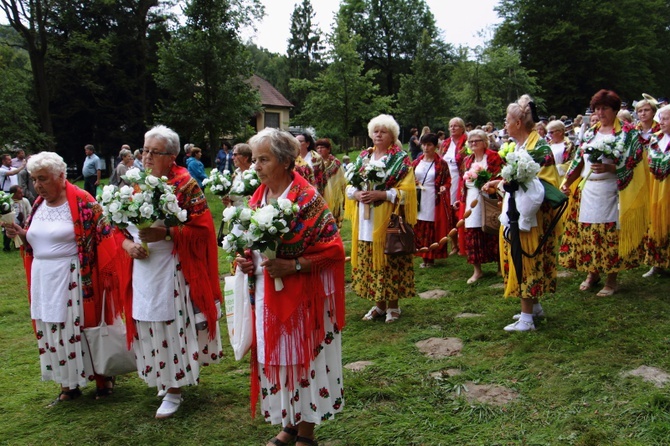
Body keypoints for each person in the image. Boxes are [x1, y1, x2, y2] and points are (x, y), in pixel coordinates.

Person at [234, 128, 345, 446]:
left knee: (303, 360)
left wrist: (294, 266)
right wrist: (245, 262)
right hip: (266, 295)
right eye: (255, 159)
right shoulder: (258, 196)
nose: (255, 166)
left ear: (284, 161)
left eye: (263, 159)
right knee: (278, 360)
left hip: (301, 299)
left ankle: (306, 431)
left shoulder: (307, 198)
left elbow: (333, 250)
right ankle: (289, 423)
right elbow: (252, 246)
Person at [118, 125, 223, 419]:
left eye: (155, 152)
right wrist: (128, 244)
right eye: (145, 150)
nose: (147, 157)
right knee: (146, 320)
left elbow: (202, 231)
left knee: (169, 324)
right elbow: (115, 227)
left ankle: (175, 387)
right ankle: (161, 377)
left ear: (172, 156)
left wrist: (166, 234)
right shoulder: (135, 183)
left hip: (173, 268)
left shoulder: (185, 184)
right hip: (142, 267)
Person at [3, 152, 122, 404]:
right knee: (53, 328)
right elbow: (37, 239)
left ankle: (103, 377)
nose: (37, 185)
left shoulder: (82, 200)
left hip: (73, 276)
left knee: (78, 326)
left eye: (43, 179)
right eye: (34, 180)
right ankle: (68, 383)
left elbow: (104, 236)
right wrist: (22, 233)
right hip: (43, 277)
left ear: (60, 176)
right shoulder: (38, 204)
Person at [483, 94, 561, 332]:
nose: (504, 125)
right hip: (519, 214)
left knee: (525, 258)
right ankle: (533, 308)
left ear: (518, 123)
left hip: (531, 219)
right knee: (520, 258)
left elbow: (544, 184)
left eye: (507, 120)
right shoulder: (520, 146)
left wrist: (500, 185)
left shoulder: (539, 146)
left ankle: (527, 319)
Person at [559, 89, 647, 297]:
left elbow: (635, 163)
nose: (600, 112)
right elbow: (579, 160)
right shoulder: (590, 133)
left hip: (613, 189)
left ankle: (611, 278)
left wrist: (612, 169)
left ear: (615, 109)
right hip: (589, 188)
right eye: (597, 109)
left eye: (605, 108)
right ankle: (592, 272)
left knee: (609, 234)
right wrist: (567, 182)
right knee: (589, 232)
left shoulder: (628, 134)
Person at [345, 114, 417, 323]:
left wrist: (383, 194)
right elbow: (349, 185)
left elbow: (408, 190)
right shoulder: (363, 157)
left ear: (392, 135)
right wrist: (356, 194)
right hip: (365, 220)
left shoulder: (400, 159)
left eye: (383, 131)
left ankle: (393, 306)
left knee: (389, 258)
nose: (378, 134)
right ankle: (379, 304)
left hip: (387, 218)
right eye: (375, 131)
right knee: (371, 260)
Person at [459, 129, 503, 283]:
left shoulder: (493, 157)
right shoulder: (467, 160)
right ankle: (477, 270)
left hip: (489, 197)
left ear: (485, 142)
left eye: (476, 141)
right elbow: (462, 180)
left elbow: (500, 176)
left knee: (493, 227)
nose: (473, 144)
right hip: (472, 197)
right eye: (471, 141)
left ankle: (500, 266)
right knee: (472, 230)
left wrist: (487, 183)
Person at [412, 132, 453, 268]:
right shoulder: (416, 162)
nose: (425, 147)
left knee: (431, 226)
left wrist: (444, 187)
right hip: (418, 196)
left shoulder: (441, 163)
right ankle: (423, 255)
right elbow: (409, 177)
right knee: (420, 225)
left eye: (429, 144)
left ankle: (431, 257)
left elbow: (448, 180)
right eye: (424, 144)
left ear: (435, 146)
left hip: (432, 198)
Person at [644, 104, 670, 277]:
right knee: (655, 222)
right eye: (661, 118)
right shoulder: (655, 138)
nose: (662, 122)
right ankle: (657, 263)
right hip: (655, 186)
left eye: (666, 118)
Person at [440, 117, 469, 255]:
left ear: (462, 128)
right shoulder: (445, 143)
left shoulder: (467, 143)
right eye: (451, 126)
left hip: (461, 179)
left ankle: (465, 243)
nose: (452, 128)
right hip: (448, 181)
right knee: (449, 211)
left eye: (456, 126)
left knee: (460, 211)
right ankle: (454, 244)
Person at [315, 138, 346, 226]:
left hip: (333, 196)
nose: (319, 150)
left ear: (328, 149)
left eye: (322, 147)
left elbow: (342, 181)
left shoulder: (335, 163)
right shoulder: (315, 163)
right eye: (318, 148)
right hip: (318, 194)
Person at [223, 143, 254, 208]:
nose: (232, 157)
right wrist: (228, 201)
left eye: (235, 155)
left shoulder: (256, 173)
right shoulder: (235, 174)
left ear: (246, 157)